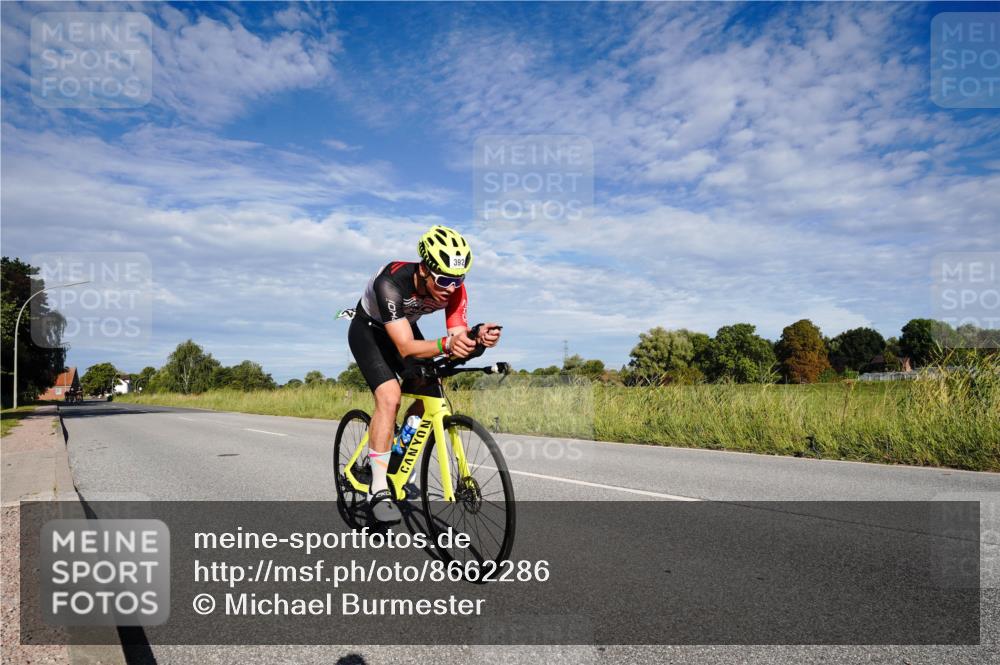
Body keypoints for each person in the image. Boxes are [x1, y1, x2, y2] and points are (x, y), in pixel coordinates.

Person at [347, 225, 501, 522]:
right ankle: (378, 489)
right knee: (390, 396)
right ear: (424, 269)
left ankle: (400, 444)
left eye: (459, 279)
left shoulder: (454, 288)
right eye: (444, 279)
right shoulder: (390, 283)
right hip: (370, 331)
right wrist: (446, 343)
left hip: (403, 326)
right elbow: (405, 346)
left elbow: (456, 342)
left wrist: (477, 340)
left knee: (431, 384)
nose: (451, 287)